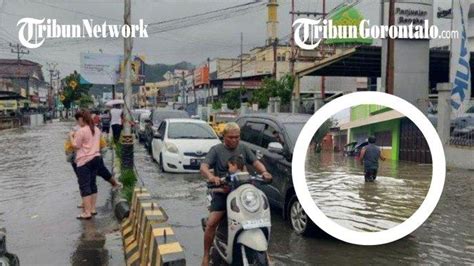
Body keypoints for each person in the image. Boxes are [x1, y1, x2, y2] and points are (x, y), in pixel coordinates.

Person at [200, 122, 272, 266]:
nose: (234, 140)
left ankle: (266, 253)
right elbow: (204, 166)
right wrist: (211, 177)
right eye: (231, 137)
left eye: (237, 137)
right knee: (212, 223)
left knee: (259, 219)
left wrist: (264, 172)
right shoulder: (216, 150)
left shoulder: (243, 148)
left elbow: (256, 162)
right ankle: (206, 256)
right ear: (224, 137)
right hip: (223, 192)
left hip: (243, 193)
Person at [69, 109, 101, 219]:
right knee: (93, 184)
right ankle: (92, 209)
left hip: (84, 160)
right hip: (96, 158)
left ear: (82, 119)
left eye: (78, 120)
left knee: (84, 186)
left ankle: (86, 212)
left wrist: (71, 136)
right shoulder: (96, 129)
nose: (78, 122)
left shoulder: (81, 131)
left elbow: (75, 146)